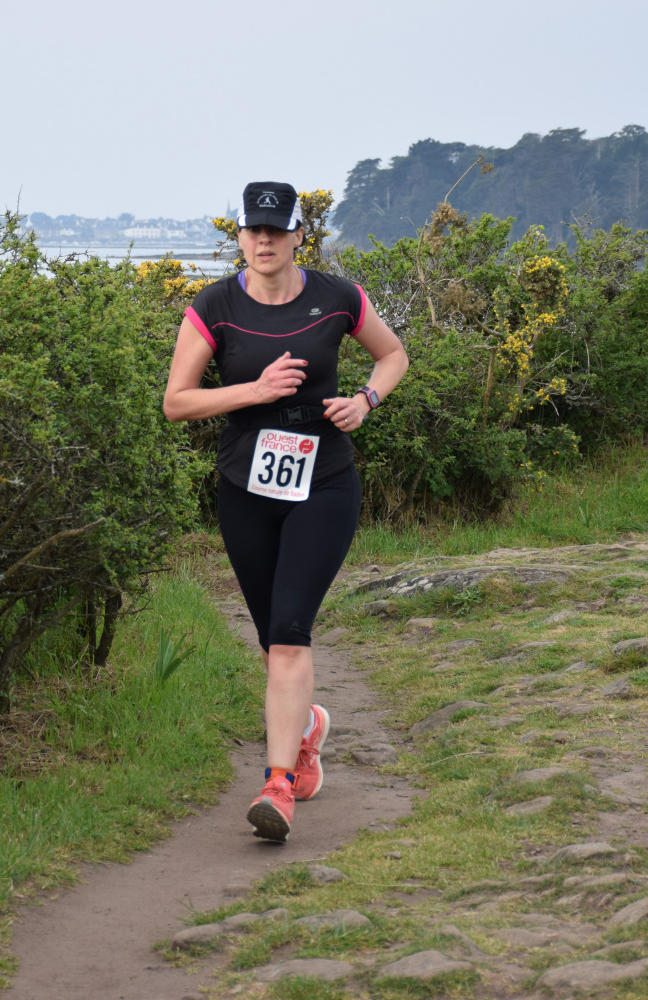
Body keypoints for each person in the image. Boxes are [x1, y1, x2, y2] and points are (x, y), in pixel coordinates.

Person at [162, 181, 409, 842]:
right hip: (245, 488)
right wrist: (255, 390)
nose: (264, 240)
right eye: (253, 229)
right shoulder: (214, 306)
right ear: (240, 236)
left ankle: (277, 786)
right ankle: (306, 730)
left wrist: (365, 401)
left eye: (277, 229)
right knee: (273, 638)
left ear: (301, 234)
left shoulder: (339, 297)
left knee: (291, 631)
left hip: (324, 483)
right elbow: (177, 402)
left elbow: (393, 355)